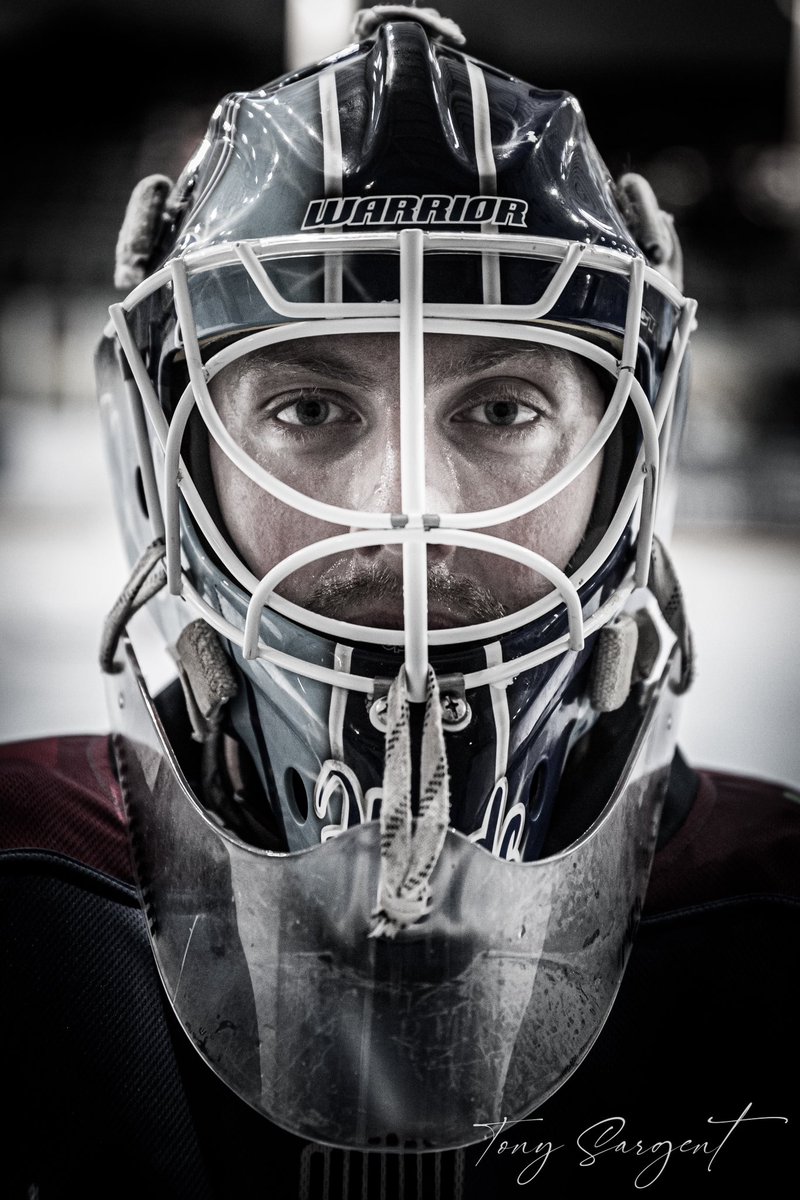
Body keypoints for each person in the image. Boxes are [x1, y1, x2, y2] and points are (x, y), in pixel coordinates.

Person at [1, 6, 797, 1196]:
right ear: (171, 453)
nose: (408, 510)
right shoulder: (28, 885)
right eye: (308, 412)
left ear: (629, 454)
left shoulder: (770, 906)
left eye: (503, 411)